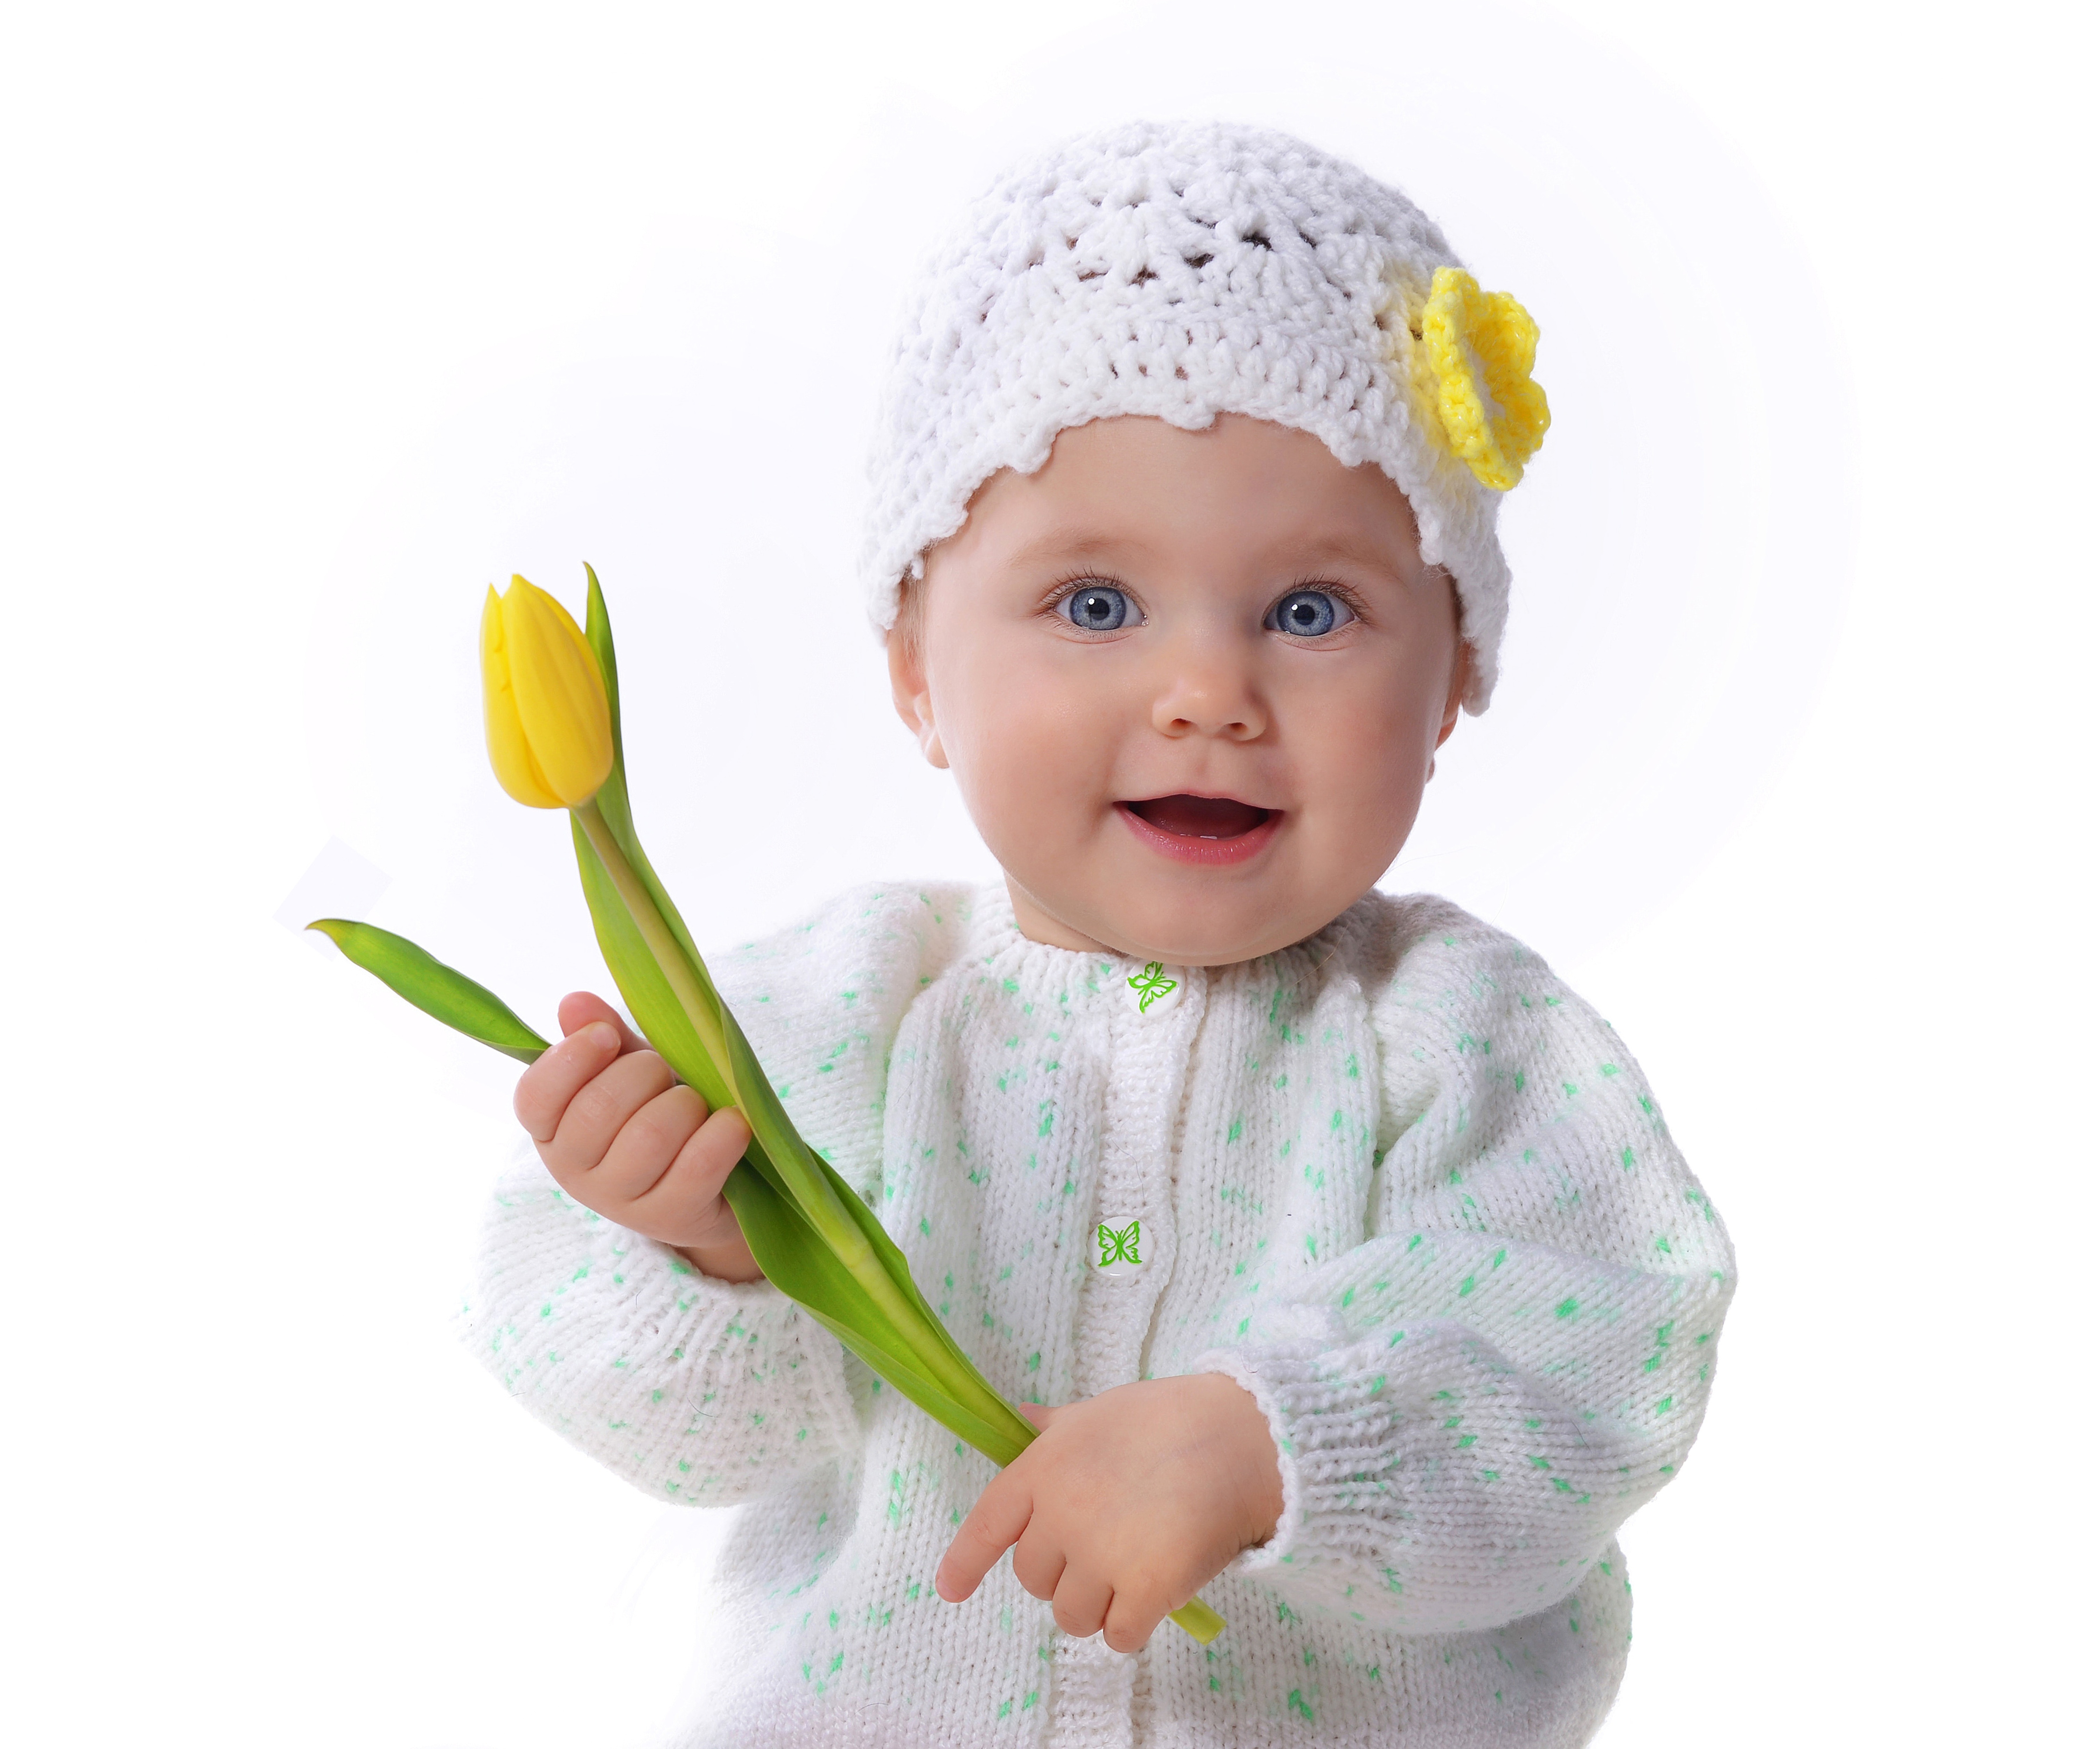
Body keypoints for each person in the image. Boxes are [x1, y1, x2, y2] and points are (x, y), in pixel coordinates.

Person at [463, 120, 1735, 1749]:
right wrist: (703, 1243)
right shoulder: (835, 1015)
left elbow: (1596, 1355)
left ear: (1451, 683)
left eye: (1311, 610)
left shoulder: (1462, 1035)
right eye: (1096, 604)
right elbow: (673, 1427)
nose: (1207, 692)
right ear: (918, 671)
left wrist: (1275, 1441)